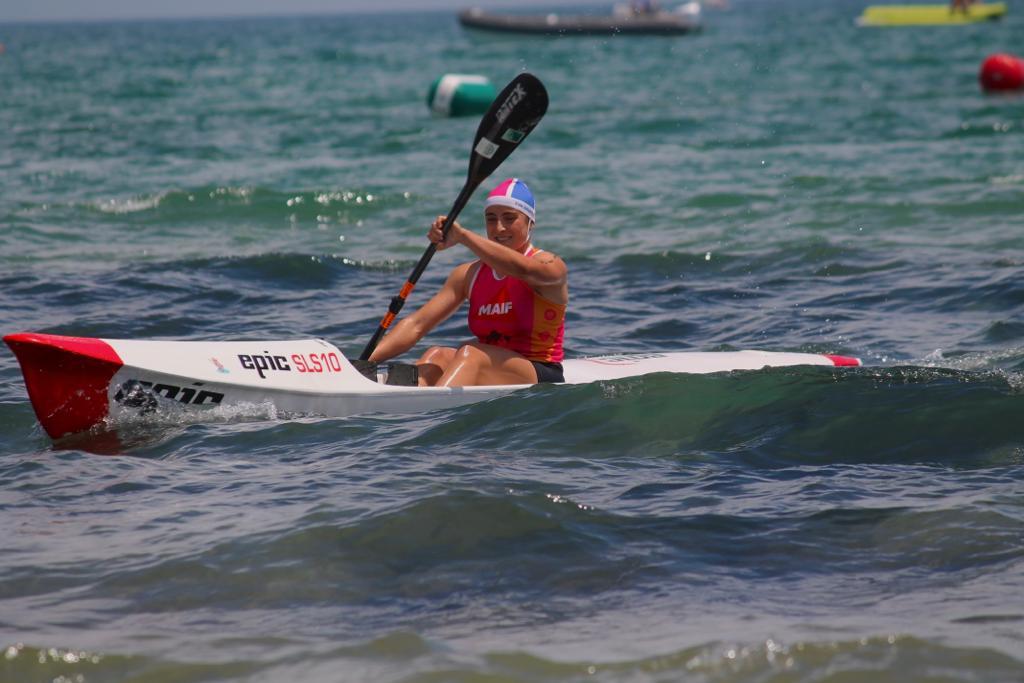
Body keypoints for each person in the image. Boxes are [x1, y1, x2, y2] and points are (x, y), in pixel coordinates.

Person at [367, 178, 568, 387]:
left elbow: (522, 269)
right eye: (491, 219)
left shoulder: (551, 266)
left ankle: (436, 410)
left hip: (540, 372)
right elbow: (417, 325)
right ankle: (403, 404)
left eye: (509, 218)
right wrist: (364, 362)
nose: (499, 228)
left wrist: (462, 236)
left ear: (530, 223)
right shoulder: (468, 274)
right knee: (437, 355)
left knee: (470, 353)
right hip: (487, 365)